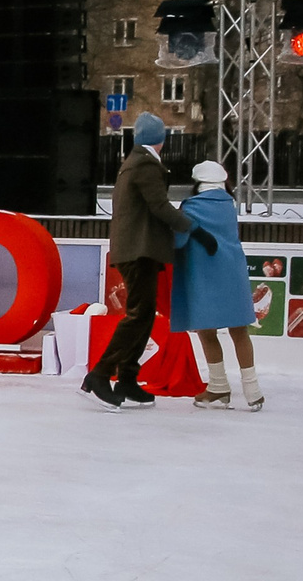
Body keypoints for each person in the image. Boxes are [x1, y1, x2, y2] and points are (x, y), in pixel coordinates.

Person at [89, 111, 213, 411]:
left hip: (139, 249)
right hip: (138, 250)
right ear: (160, 140)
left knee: (143, 315)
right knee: (138, 315)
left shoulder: (135, 161)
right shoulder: (145, 163)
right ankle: (100, 374)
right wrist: (194, 229)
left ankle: (128, 378)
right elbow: (159, 206)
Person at [173, 160, 263, 411]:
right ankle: (253, 389)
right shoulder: (229, 206)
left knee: (206, 330)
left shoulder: (190, 208)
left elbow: (178, 241)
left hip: (203, 275)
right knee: (239, 330)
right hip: (233, 273)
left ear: (197, 183)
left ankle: (218, 386)